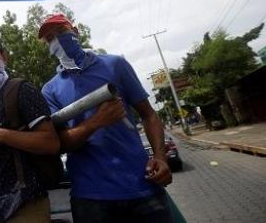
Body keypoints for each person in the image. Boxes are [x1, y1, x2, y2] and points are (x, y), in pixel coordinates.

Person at [38, 14, 173, 223]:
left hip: (142, 185)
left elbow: (149, 114)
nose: (57, 40)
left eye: (61, 32)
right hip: (90, 197)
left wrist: (161, 157)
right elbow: (60, 143)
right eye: (50, 38)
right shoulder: (50, 89)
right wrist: (96, 121)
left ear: (75, 31)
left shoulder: (115, 65)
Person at [0, 31, 60, 223]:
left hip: (25, 206)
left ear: (4, 56)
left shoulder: (20, 89)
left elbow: (51, 142)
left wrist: (1, 134)